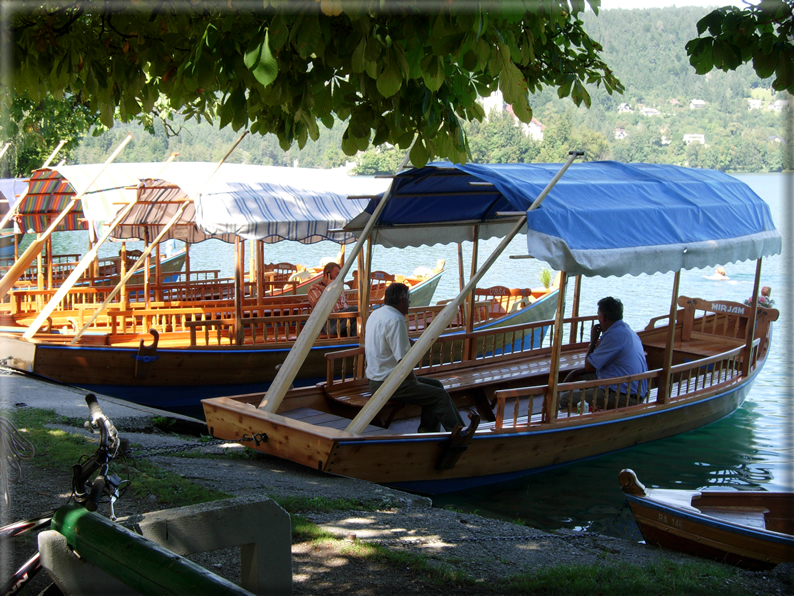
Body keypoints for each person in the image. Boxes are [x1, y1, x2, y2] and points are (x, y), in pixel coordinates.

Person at [365, 283, 465, 433]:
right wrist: (414, 381)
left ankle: (428, 431)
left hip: (376, 380)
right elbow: (404, 363)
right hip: (388, 383)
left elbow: (391, 342)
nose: (410, 303)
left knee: (436, 385)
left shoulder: (376, 314)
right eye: (409, 299)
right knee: (440, 396)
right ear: (402, 300)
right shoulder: (396, 320)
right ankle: (460, 433)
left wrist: (419, 342)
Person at [559, 297, 648, 411]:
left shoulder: (613, 336)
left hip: (623, 396)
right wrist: (575, 372)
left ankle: (586, 420)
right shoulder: (627, 330)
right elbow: (594, 366)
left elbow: (589, 366)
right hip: (632, 388)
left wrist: (593, 341)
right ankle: (590, 403)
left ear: (604, 318)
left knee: (565, 399)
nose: (598, 319)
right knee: (581, 377)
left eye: (598, 315)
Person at [307, 262, 357, 337]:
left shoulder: (339, 287)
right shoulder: (314, 288)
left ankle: (356, 345)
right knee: (355, 309)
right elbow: (319, 305)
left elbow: (345, 305)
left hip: (344, 319)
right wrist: (328, 289)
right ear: (327, 274)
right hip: (329, 322)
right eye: (337, 274)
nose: (339, 277)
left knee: (357, 324)